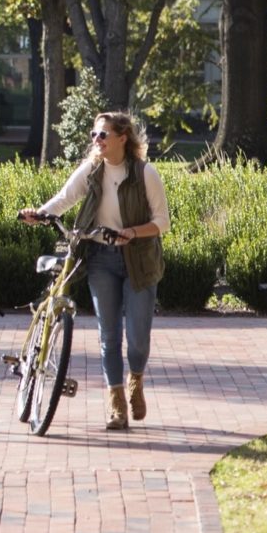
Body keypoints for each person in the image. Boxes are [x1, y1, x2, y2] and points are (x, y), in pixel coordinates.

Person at [19, 111, 169, 431]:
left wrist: (132, 232)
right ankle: (116, 403)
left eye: (103, 135)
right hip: (101, 258)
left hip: (138, 259)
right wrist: (40, 214)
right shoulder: (92, 170)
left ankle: (135, 380)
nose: (96, 140)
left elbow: (162, 223)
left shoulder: (145, 173)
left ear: (122, 138)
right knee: (109, 334)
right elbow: (64, 199)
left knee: (138, 337)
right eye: (93, 135)